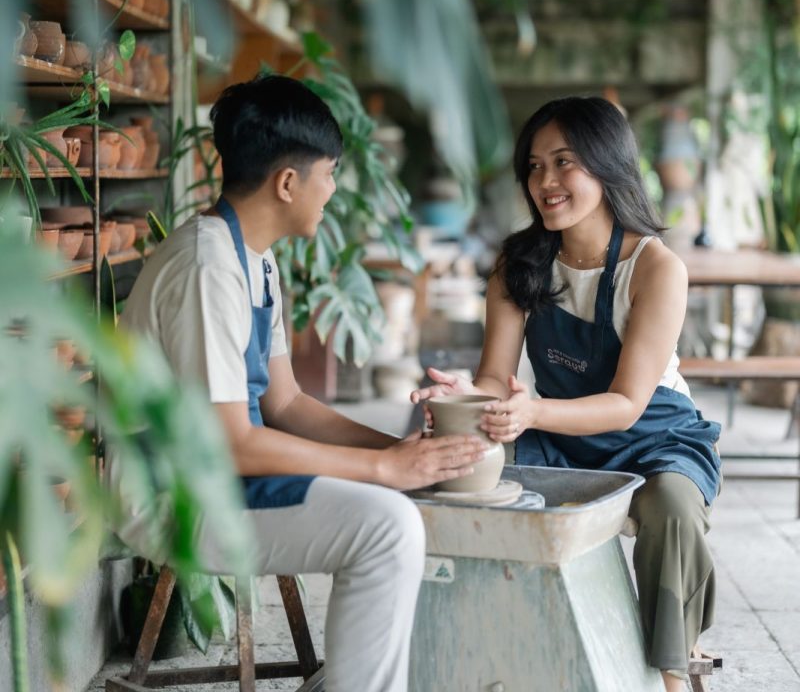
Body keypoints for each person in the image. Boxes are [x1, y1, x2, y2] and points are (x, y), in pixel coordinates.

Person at [114, 74, 486, 692]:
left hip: (226, 477)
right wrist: (384, 470)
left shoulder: (255, 259)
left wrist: (397, 453)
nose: (334, 189)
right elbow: (234, 441)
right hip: (175, 496)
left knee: (401, 502)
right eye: (330, 173)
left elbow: (284, 403)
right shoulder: (209, 268)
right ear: (288, 182)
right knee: (388, 525)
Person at [412, 96, 722, 691]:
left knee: (674, 511)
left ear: (606, 167)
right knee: (469, 476)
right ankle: (497, 650)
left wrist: (532, 410)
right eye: (534, 166)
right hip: (560, 435)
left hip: (654, 436)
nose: (545, 182)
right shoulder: (519, 264)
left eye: (563, 163)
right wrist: (463, 397)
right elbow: (491, 378)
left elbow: (627, 402)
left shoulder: (656, 268)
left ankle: (672, 670)